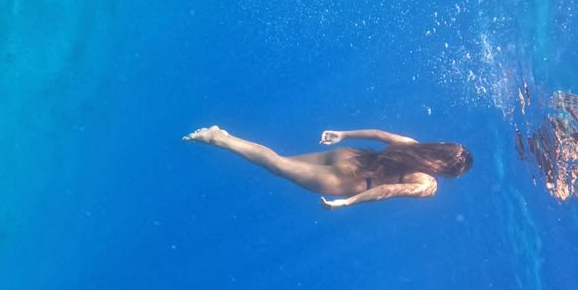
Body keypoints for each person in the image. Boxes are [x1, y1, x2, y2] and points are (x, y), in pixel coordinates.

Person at [183, 125, 473, 210]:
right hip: (348, 180)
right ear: (450, 171)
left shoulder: (414, 145)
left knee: (280, 161)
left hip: (351, 156)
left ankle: (226, 137)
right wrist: (347, 202)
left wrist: (344, 135)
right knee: (277, 165)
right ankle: (220, 138)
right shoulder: (427, 185)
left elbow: (379, 135)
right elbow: (387, 190)